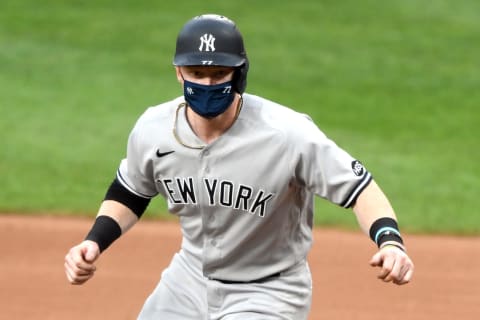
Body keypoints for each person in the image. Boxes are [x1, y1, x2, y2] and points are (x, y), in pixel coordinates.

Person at [64, 14, 414, 319]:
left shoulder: (287, 134)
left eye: (219, 73)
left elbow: (360, 188)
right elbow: (131, 191)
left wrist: (390, 242)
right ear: (178, 72)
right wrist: (94, 241)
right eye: (196, 72)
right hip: (189, 279)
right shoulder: (154, 128)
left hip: (269, 290)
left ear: (240, 72)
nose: (207, 83)